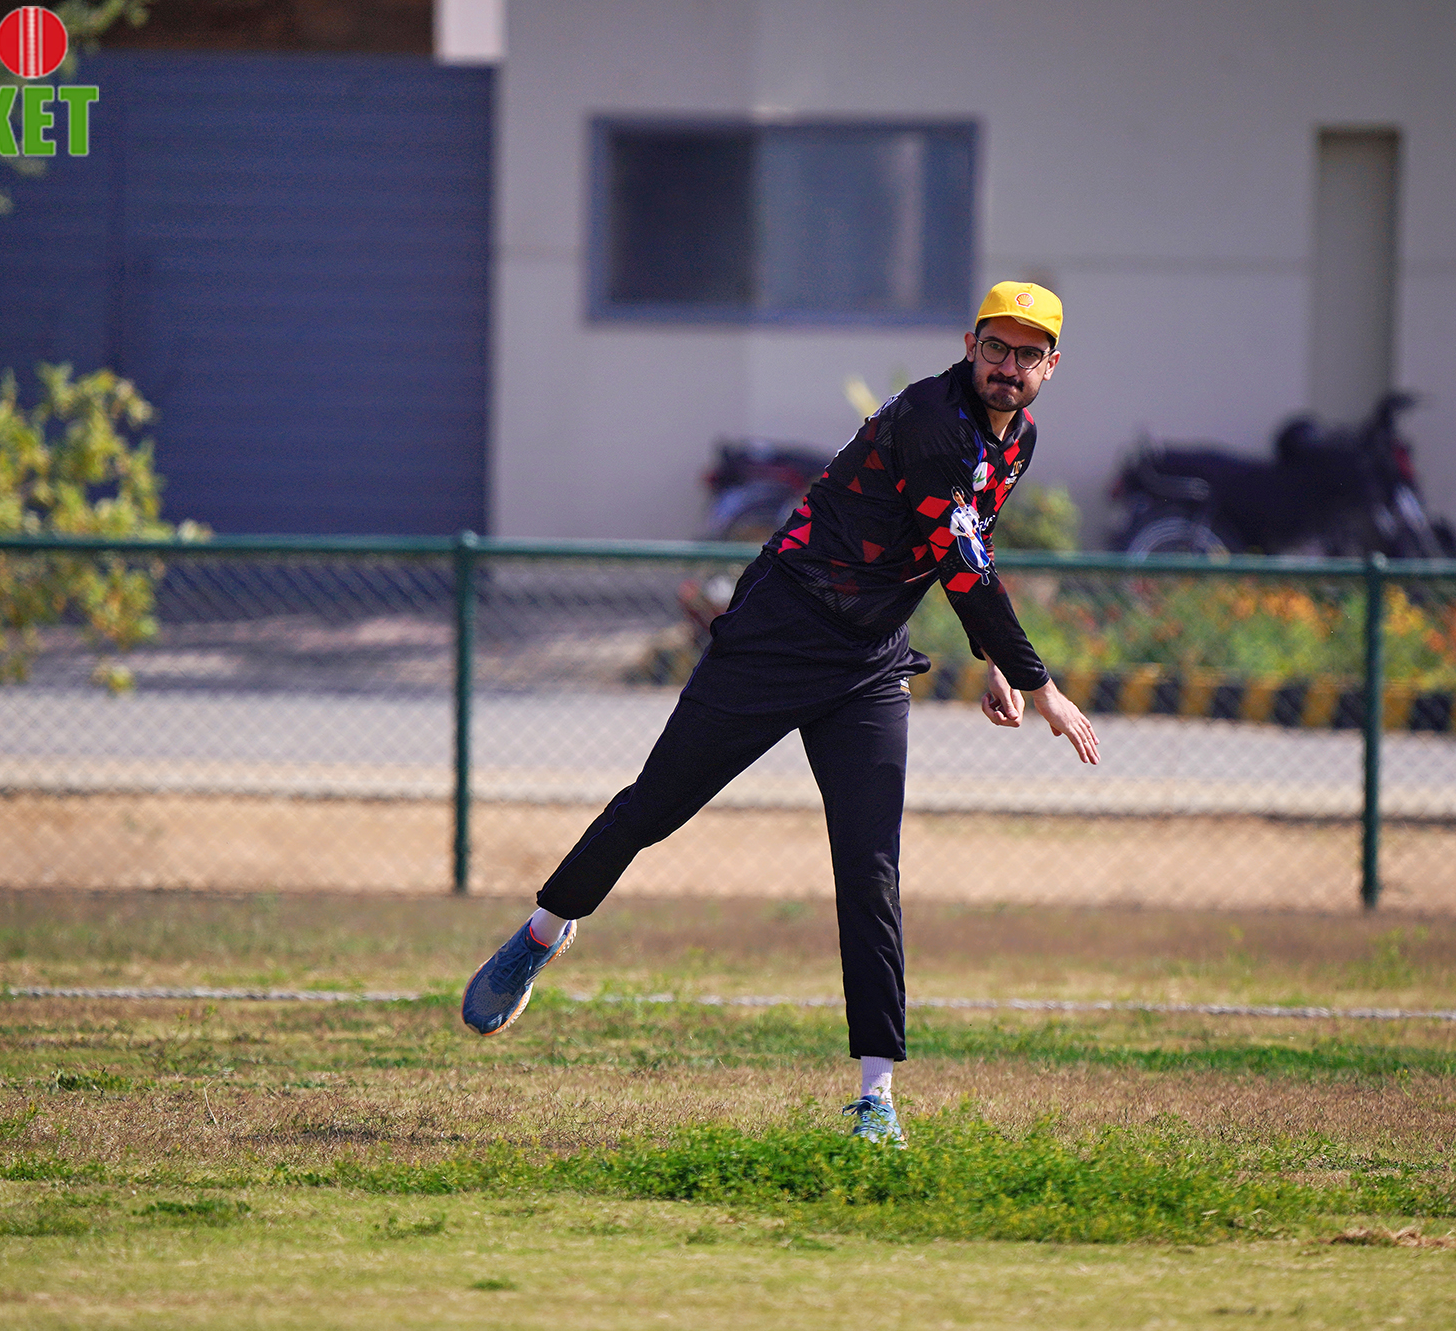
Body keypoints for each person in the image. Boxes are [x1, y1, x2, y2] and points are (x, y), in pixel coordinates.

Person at [460, 281, 1099, 1146]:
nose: (1008, 366)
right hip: (781, 629)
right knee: (654, 805)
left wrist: (989, 655)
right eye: (996, 347)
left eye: (1028, 354)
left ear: (1051, 367)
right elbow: (959, 555)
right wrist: (1037, 680)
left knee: (870, 869)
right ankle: (543, 931)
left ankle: (877, 1098)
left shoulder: (1016, 440)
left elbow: (965, 543)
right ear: (969, 345)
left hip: (867, 662)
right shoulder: (930, 420)